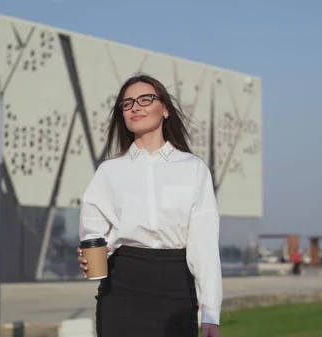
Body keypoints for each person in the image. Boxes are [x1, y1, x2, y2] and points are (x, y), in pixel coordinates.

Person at [76, 74, 222, 337]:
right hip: (121, 291)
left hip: (176, 292)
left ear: (164, 109)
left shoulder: (193, 169)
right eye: (127, 103)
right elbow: (94, 233)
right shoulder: (109, 172)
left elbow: (205, 245)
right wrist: (94, 254)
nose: (136, 106)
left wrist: (211, 313)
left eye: (145, 99)